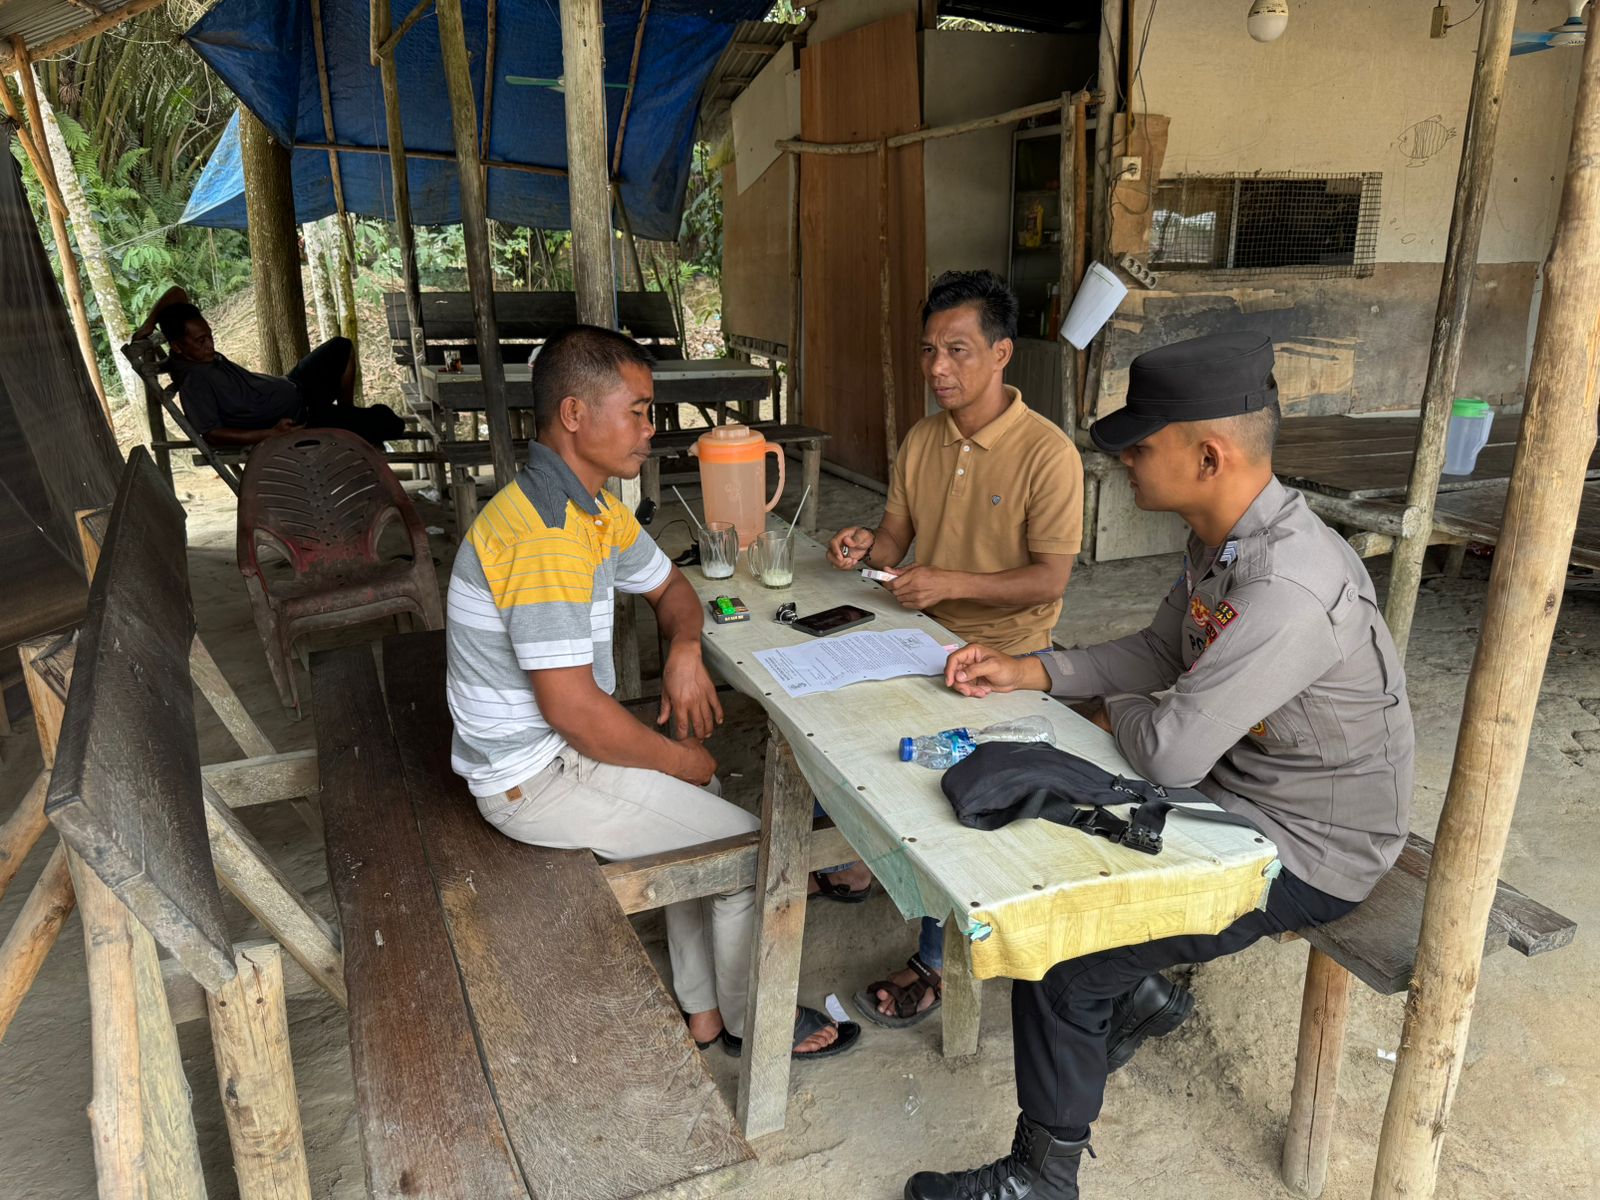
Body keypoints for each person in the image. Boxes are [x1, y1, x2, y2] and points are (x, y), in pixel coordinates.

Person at [905, 330, 1415, 1200]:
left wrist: (1118, 708)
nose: (1125, 462)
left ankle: (1041, 1177)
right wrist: (1034, 672)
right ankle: (1138, 996)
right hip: (1241, 791)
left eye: (1141, 446)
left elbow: (1171, 749)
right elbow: (1159, 651)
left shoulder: (1288, 587)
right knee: (1040, 823)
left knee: (1062, 951)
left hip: (1312, 849)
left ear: (1208, 457)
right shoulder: (1222, 539)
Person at [444, 324, 859, 1062]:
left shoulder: (591, 508)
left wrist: (686, 650)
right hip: (533, 779)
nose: (650, 429)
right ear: (575, 415)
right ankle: (752, 1022)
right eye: (636, 411)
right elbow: (575, 715)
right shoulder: (545, 534)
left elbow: (673, 590)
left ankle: (704, 1012)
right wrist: (676, 759)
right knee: (748, 846)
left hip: (559, 751)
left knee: (708, 801)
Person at [822, 270, 1084, 1029]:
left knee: (950, 790)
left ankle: (936, 958)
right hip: (920, 637)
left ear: (1002, 353)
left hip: (1006, 653)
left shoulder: (1047, 454)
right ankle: (864, 861)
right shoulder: (921, 439)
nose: (938, 368)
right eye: (929, 350)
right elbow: (895, 538)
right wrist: (868, 546)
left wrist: (949, 583)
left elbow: (1049, 578)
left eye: (958, 350)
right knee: (837, 725)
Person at [135, 285, 404, 448]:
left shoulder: (190, 352)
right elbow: (212, 434)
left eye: (210, 336)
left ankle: (346, 415)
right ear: (178, 347)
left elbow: (177, 292)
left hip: (296, 385)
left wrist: (149, 324)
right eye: (200, 341)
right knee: (390, 423)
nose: (210, 345)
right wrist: (271, 434)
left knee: (341, 347)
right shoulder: (194, 380)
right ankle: (346, 421)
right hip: (299, 418)